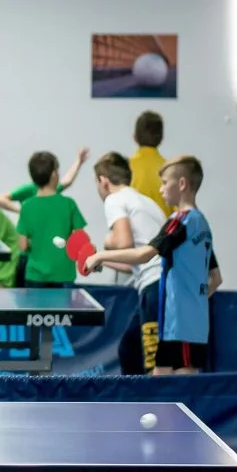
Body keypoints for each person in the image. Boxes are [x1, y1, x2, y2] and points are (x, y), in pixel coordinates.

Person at [86, 156, 217, 373]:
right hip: (182, 311)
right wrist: (194, 302)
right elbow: (216, 278)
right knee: (150, 364)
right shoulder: (201, 223)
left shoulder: (179, 220)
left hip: (170, 308)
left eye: (165, 183)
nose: (161, 189)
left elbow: (144, 254)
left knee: (175, 373)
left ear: (182, 184)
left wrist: (101, 255)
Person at [89, 152, 165, 374]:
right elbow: (134, 261)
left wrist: (106, 243)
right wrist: (101, 259)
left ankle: (154, 397)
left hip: (154, 285)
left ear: (103, 181)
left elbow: (124, 242)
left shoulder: (114, 199)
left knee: (153, 362)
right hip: (164, 282)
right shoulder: (147, 202)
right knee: (129, 349)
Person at [13, 151, 90, 288]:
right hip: (64, 274)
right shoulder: (69, 204)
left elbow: (23, 246)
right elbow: (81, 239)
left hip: (35, 275)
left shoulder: (27, 206)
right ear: (54, 174)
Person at [0, 147, 88, 216]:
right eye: (56, 170)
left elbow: (67, 180)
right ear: (53, 175)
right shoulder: (30, 189)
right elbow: (0, 200)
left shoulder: (53, 190)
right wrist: (22, 211)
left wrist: (78, 161)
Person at [131, 111, 170, 218]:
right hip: (164, 227)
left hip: (133, 228)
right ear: (161, 138)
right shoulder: (170, 169)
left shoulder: (125, 167)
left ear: (135, 136)